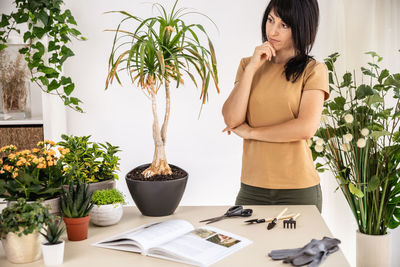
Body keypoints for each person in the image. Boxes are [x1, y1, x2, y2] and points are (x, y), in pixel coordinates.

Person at [222, 0, 329, 213]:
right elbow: (232, 120)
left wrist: (251, 132)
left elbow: (305, 128)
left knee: (299, 248)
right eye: (271, 20)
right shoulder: (248, 64)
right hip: (252, 188)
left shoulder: (314, 70)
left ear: (301, 27)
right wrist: (252, 68)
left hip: (299, 190)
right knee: (248, 246)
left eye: (284, 25)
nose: (273, 31)